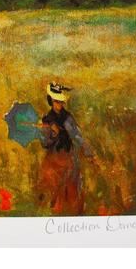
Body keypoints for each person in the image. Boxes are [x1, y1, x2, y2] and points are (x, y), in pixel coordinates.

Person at [37, 82, 94, 215]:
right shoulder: (47, 119)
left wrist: (88, 152)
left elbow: (77, 136)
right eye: (56, 101)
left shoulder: (68, 118)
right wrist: (53, 134)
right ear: (51, 101)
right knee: (53, 190)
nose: (59, 104)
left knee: (72, 189)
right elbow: (44, 143)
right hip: (53, 160)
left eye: (61, 102)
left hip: (68, 158)